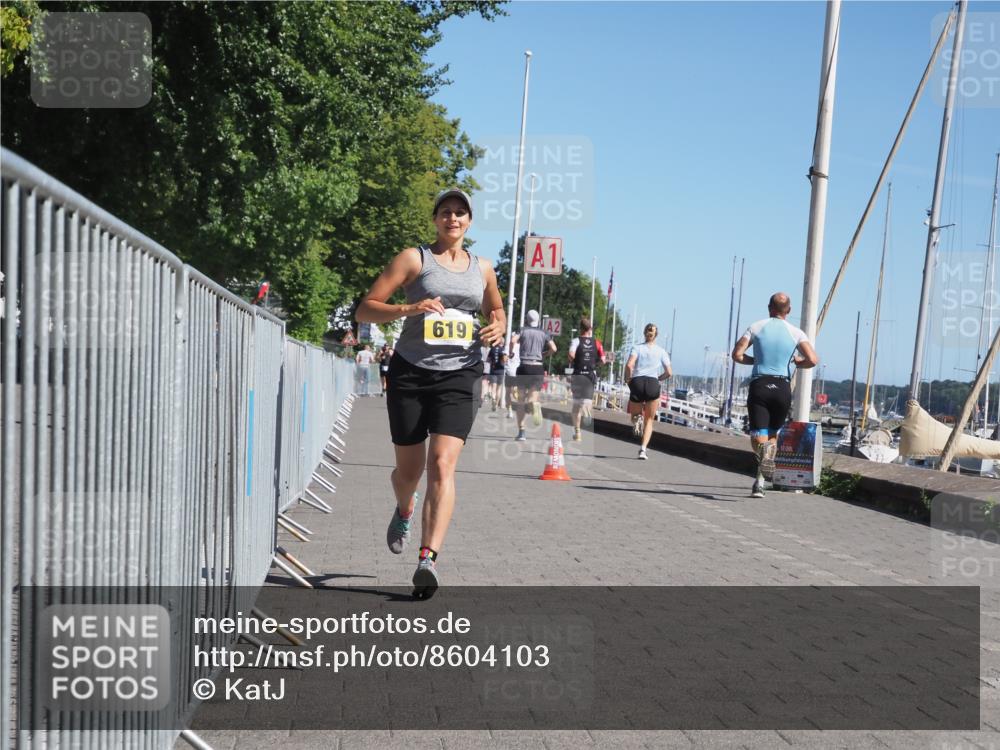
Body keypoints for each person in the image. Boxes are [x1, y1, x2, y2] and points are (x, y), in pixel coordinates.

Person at [355, 188, 506, 598]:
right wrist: (410, 309)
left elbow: (495, 308)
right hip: (411, 372)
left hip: (461, 375)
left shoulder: (483, 268)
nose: (453, 218)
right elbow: (366, 308)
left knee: (442, 464)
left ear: (469, 221)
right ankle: (405, 508)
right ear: (436, 218)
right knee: (409, 473)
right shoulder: (414, 259)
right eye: (446, 212)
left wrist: (499, 325)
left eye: (460, 212)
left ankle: (428, 559)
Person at [731, 292, 819, 498]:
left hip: (760, 384)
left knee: (758, 436)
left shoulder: (756, 327)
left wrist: (755, 360)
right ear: (789, 310)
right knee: (773, 435)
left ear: (769, 307)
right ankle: (760, 480)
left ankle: (761, 470)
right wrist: (798, 363)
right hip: (782, 387)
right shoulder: (797, 333)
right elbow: (813, 360)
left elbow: (737, 354)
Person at [624, 323, 672, 460]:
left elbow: (629, 365)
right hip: (652, 384)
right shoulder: (661, 351)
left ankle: (637, 419)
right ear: (656, 336)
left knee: (634, 416)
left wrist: (628, 380)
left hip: (638, 382)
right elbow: (669, 372)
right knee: (649, 420)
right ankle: (643, 450)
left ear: (644, 333)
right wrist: (658, 379)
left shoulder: (637, 348)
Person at [511, 310, 556, 441]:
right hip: (537, 367)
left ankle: (522, 432)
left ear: (526, 319)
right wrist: (545, 354)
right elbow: (554, 348)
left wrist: (511, 352)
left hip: (524, 367)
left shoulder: (522, 330)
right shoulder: (544, 332)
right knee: (532, 398)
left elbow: (513, 340)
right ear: (538, 320)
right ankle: (534, 404)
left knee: (520, 401)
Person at [568, 318, 606, 441]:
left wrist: (576, 361)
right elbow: (603, 360)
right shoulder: (597, 343)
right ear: (590, 329)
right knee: (587, 401)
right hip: (590, 375)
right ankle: (587, 413)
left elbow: (571, 354)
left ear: (580, 328)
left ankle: (577, 432)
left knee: (576, 405)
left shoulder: (576, 341)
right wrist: (595, 363)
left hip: (578, 375)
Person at [486, 341, 506, 410]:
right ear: (502, 343)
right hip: (501, 370)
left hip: (493, 370)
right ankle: (497, 404)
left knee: (493, 387)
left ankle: (493, 400)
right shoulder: (503, 350)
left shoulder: (492, 349)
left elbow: (488, 360)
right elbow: (505, 360)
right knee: (499, 388)